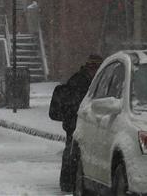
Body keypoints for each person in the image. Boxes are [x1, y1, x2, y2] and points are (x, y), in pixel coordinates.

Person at [58, 53, 102, 192]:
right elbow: (71, 102)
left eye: (97, 66)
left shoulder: (98, 81)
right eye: (92, 66)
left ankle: (81, 180)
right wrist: (73, 120)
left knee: (81, 154)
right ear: (88, 66)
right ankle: (67, 182)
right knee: (71, 153)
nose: (94, 69)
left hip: (90, 123)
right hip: (75, 122)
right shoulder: (78, 80)